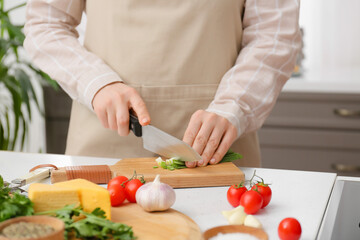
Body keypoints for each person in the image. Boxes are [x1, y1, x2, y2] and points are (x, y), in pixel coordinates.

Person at [24, 0, 301, 168]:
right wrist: (97, 84)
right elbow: (45, 25)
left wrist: (235, 105)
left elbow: (274, 35)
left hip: (218, 149)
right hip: (103, 143)